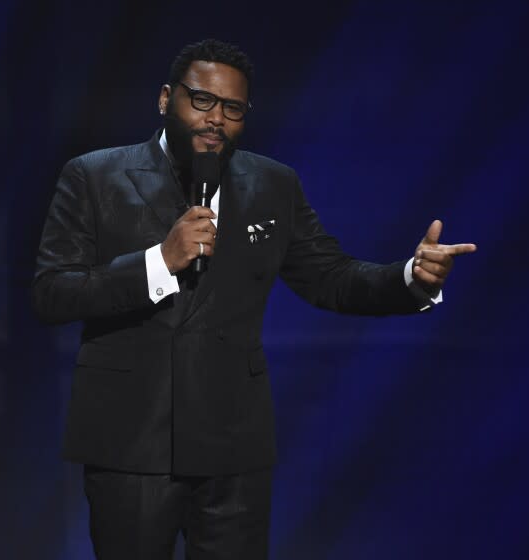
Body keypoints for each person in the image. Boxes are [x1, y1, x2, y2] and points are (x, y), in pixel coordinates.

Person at [32, 38, 475, 560]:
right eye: (201, 100)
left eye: (232, 108)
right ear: (165, 99)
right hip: (130, 443)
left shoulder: (273, 184)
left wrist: (412, 279)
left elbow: (330, 277)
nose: (215, 118)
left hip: (232, 446)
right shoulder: (93, 176)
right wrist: (159, 261)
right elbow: (53, 292)